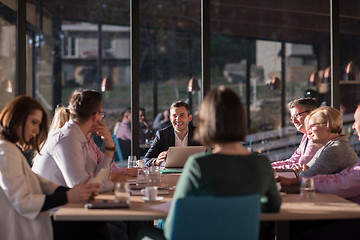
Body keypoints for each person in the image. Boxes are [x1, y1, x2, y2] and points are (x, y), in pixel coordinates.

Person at [161, 86, 281, 239]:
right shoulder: (262, 164)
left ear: (207, 123)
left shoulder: (198, 165)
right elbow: (273, 207)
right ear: (241, 119)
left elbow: (172, 229)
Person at [0, 96, 101, 240]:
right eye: (34, 122)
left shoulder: (9, 150)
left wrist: (77, 192)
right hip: (20, 230)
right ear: (17, 118)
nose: (36, 130)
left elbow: (42, 183)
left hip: (30, 224)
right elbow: (23, 202)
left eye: (39, 125)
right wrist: (68, 196)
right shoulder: (5, 152)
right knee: (96, 230)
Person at [277, 104, 360, 240]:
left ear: (327, 125)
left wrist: (298, 180)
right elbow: (305, 171)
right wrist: (300, 177)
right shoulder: (327, 147)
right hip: (346, 212)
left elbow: (340, 182)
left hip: (352, 218)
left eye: (357, 121)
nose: (353, 126)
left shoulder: (336, 149)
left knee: (294, 230)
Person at [32, 90, 116, 192]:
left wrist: (110, 147)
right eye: (101, 114)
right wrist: (114, 184)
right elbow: (80, 186)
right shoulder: (66, 139)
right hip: (52, 206)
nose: (102, 119)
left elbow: (96, 179)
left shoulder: (79, 138)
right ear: (95, 116)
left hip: (66, 204)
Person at [294, 106, 358, 177]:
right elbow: (307, 169)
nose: (308, 132)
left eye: (312, 126)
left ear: (328, 125)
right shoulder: (326, 147)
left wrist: (300, 173)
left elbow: (306, 177)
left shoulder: (334, 149)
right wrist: (302, 172)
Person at [143, 101, 201, 166]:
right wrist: (156, 161)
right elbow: (146, 159)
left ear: (189, 118)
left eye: (182, 115)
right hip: (169, 175)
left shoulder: (199, 133)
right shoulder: (162, 135)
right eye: (174, 116)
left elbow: (211, 154)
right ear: (170, 118)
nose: (178, 119)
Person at [272, 98, 321, 169]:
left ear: (311, 113)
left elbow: (302, 166)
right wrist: (268, 167)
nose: (294, 121)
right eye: (292, 118)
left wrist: (271, 169)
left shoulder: (317, 135)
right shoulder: (306, 135)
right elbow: (292, 161)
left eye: (297, 115)